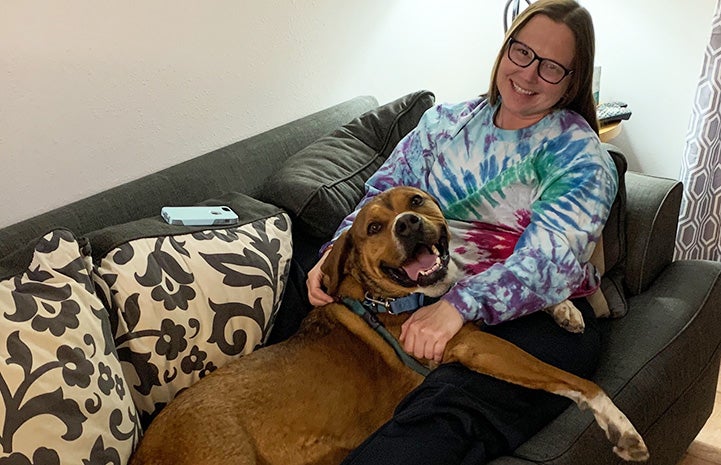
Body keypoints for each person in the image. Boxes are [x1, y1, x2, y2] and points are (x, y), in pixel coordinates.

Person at [307, 0, 616, 463]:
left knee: (445, 409)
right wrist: (333, 250)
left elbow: (551, 261)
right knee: (301, 268)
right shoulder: (444, 123)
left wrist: (457, 306)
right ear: (505, 49)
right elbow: (386, 191)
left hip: (536, 312)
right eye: (522, 52)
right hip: (427, 285)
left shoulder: (577, 152)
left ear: (573, 80)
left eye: (552, 67)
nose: (529, 74)